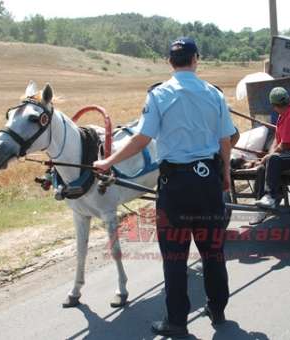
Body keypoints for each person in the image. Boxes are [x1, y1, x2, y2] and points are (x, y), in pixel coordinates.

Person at [94, 37, 236, 338]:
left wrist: (108, 161)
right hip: (208, 180)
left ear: (169, 62)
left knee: (175, 255)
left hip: (176, 187)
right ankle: (218, 308)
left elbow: (142, 139)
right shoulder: (214, 94)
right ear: (196, 59)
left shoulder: (159, 95)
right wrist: (224, 174)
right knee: (213, 250)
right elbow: (226, 140)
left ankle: (177, 321)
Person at [254, 87, 290, 209]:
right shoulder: (283, 116)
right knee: (262, 166)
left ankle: (272, 196)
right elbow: (277, 139)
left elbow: (286, 144)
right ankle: (261, 203)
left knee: (274, 159)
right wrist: (268, 155)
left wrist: (270, 156)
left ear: (274, 105)